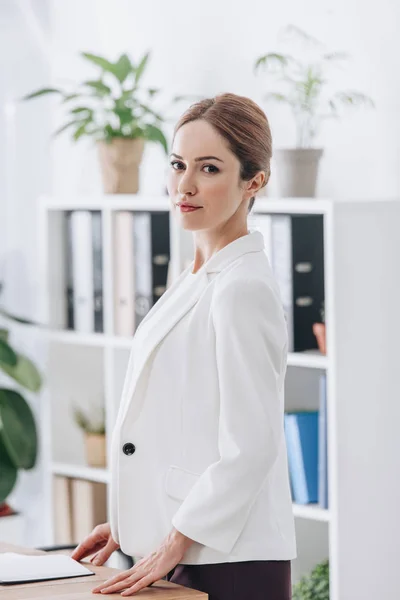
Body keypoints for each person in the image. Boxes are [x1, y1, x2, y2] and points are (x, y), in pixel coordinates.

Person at [71, 92, 297, 599]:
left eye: (210, 168)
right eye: (178, 164)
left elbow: (251, 445)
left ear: (254, 181)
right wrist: (135, 525)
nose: (185, 185)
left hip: (225, 559)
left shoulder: (242, 288)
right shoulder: (196, 277)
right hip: (183, 547)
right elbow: (181, 423)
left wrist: (174, 538)